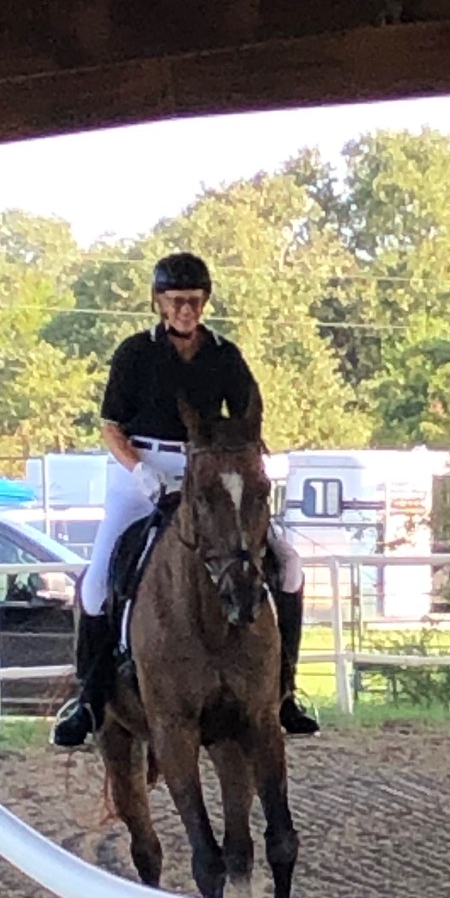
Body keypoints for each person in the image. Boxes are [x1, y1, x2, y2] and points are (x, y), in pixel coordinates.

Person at [51, 251, 318, 748]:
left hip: (209, 472)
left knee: (288, 564)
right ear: (159, 302)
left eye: (193, 301)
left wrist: (243, 468)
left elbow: (246, 423)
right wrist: (142, 472)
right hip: (140, 467)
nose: (185, 310)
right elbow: (111, 427)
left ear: (205, 302)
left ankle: (284, 690)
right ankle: (88, 700)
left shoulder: (224, 355)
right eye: (175, 301)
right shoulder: (135, 353)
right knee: (96, 582)